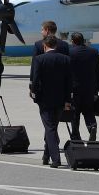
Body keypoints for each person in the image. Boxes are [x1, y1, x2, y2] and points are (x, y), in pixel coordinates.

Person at [30, 35, 72, 168]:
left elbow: (35, 80)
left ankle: (55, 159)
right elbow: (68, 82)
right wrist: (67, 100)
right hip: (60, 99)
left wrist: (34, 95)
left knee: (50, 128)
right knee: (52, 127)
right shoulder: (65, 59)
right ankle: (46, 156)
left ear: (44, 46)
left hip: (45, 99)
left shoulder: (39, 59)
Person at [69, 32, 99, 141]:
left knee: (75, 113)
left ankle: (75, 136)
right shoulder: (93, 52)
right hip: (90, 88)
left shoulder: (70, 52)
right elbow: (98, 71)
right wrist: (98, 88)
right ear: (83, 40)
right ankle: (92, 126)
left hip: (74, 89)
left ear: (73, 41)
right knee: (88, 111)